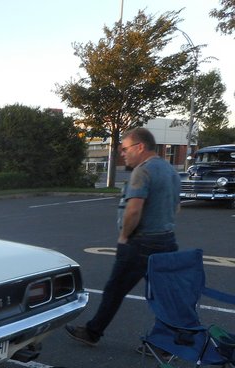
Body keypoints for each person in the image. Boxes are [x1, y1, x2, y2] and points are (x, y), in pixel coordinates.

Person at [66, 127, 181, 347]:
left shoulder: (142, 171)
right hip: (167, 241)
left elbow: (134, 209)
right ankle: (166, 343)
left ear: (140, 147)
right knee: (163, 295)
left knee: (115, 289)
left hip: (141, 243)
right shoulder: (170, 170)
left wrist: (124, 236)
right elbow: (177, 208)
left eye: (126, 148)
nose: (123, 153)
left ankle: (92, 332)